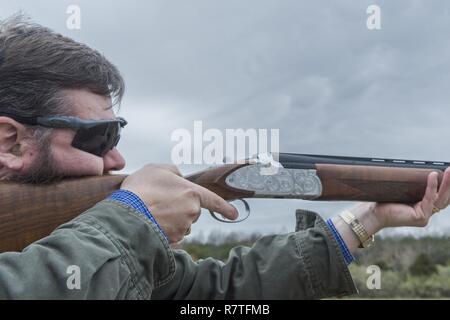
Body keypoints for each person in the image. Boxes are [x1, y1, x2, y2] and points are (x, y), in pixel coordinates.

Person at [0, 15, 448, 299]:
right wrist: (135, 217)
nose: (116, 160)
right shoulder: (115, 232)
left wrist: (368, 220)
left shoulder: (86, 241)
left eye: (116, 135)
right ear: (12, 141)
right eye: (97, 139)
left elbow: (210, 295)